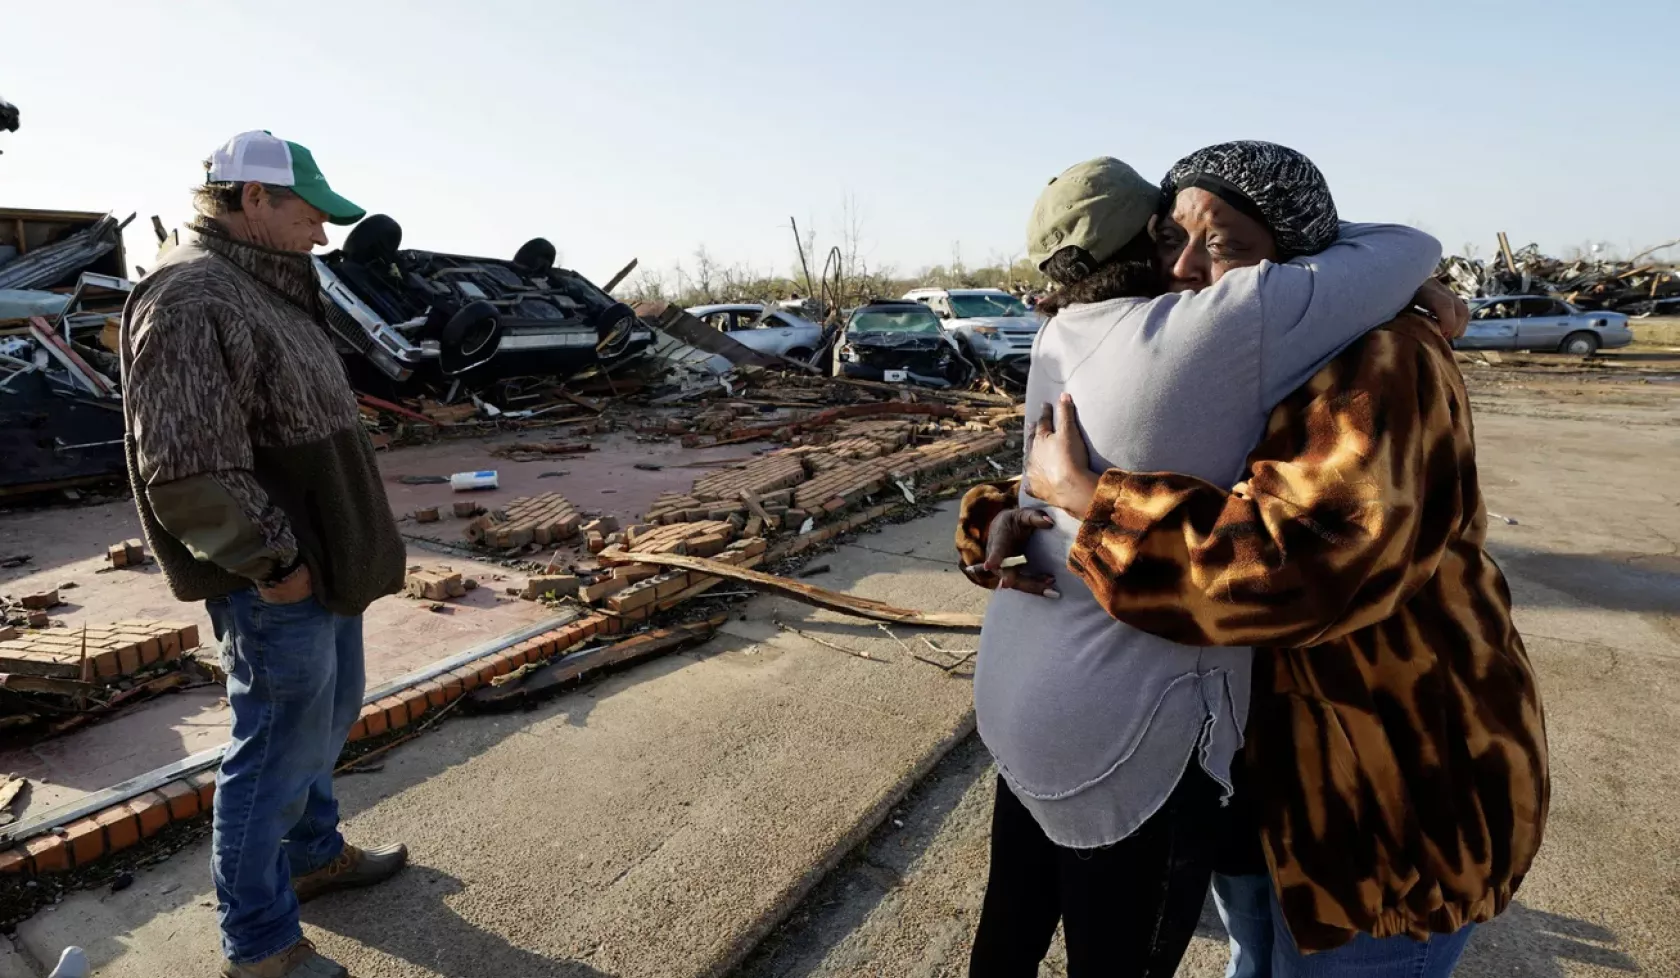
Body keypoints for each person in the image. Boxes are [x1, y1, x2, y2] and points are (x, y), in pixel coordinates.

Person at [962, 143, 1548, 977]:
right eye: (1171, 238)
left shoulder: (1384, 361)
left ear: (1300, 256)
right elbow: (1161, 452)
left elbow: (1297, 574)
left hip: (1378, 801)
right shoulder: (1228, 340)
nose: (1187, 269)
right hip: (1262, 790)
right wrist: (1001, 514)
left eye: (1227, 246)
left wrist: (1096, 501)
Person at [120, 131, 410, 978]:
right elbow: (184, 465)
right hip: (278, 580)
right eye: (310, 215)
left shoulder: (269, 286)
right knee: (274, 751)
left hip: (325, 568)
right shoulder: (190, 295)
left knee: (320, 723)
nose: (322, 234)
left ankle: (313, 857)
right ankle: (259, 946)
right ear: (254, 200)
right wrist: (275, 565)